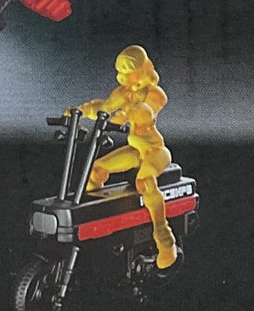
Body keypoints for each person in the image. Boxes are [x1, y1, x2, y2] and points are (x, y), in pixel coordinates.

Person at [75, 45, 178, 269]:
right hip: (135, 150)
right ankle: (95, 220)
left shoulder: (155, 94)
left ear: (141, 69)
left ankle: (164, 239)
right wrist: (82, 110)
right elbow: (105, 106)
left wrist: (126, 114)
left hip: (154, 151)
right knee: (96, 169)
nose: (122, 77)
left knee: (145, 182)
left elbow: (147, 112)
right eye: (120, 72)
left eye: (127, 71)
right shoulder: (124, 93)